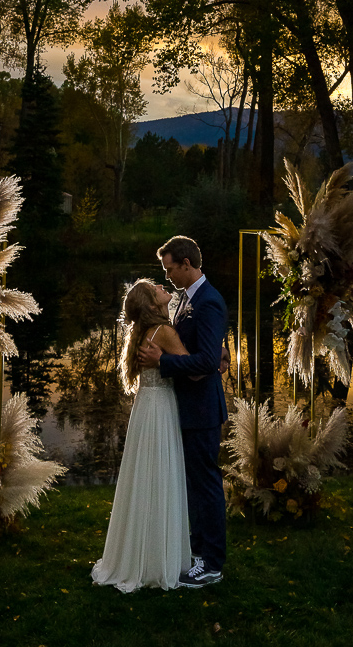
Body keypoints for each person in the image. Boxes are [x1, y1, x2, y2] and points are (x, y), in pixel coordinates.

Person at [137, 234, 228, 589]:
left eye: (169, 268)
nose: (168, 275)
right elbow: (208, 346)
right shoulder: (186, 300)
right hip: (187, 406)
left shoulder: (207, 301)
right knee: (194, 485)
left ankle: (212, 563)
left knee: (206, 486)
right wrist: (222, 350)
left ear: (187, 265)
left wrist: (164, 361)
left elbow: (204, 361)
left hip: (202, 408)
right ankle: (197, 552)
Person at [91, 279, 191, 593]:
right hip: (160, 408)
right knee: (161, 476)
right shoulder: (164, 333)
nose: (164, 286)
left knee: (144, 477)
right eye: (156, 288)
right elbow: (192, 366)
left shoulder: (143, 333)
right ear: (151, 304)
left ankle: (136, 554)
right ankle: (158, 560)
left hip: (145, 408)